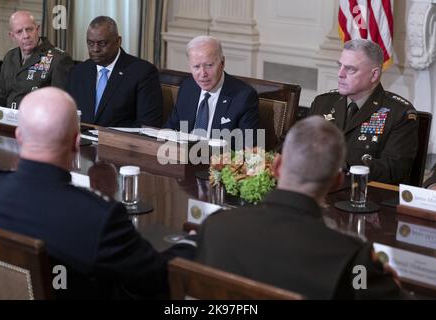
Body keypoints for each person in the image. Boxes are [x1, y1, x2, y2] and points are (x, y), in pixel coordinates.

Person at [0, 87, 195, 299]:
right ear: (77, 144)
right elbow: (159, 279)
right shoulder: (99, 218)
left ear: (19, 137)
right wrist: (192, 242)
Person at [195, 116, 407, 299]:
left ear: (276, 167)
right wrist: (390, 285)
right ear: (337, 181)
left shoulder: (215, 227)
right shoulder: (353, 259)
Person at [308, 39, 418, 185]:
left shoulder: (400, 114)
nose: (340, 74)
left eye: (350, 69)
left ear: (374, 75)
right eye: (340, 66)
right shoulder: (323, 103)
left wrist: (343, 167)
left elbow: (394, 170)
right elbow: (296, 147)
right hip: (316, 189)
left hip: (364, 197)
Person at [67, 16, 162, 128]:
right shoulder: (78, 72)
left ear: (118, 41)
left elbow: (148, 125)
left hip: (119, 143)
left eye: (102, 44)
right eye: (90, 43)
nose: (95, 49)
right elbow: (66, 115)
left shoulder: (142, 73)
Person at [164, 36, 258, 142]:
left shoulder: (243, 96)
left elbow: (248, 146)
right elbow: (170, 130)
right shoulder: (188, 87)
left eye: (209, 65)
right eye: (196, 67)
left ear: (222, 63)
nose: (203, 74)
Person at [0, 11, 73, 108]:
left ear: (37, 29)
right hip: (7, 120)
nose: (26, 36)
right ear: (12, 36)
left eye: (29, 29)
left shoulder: (59, 59)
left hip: (37, 120)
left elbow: (59, 105)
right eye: (19, 32)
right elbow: (1, 99)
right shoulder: (10, 56)